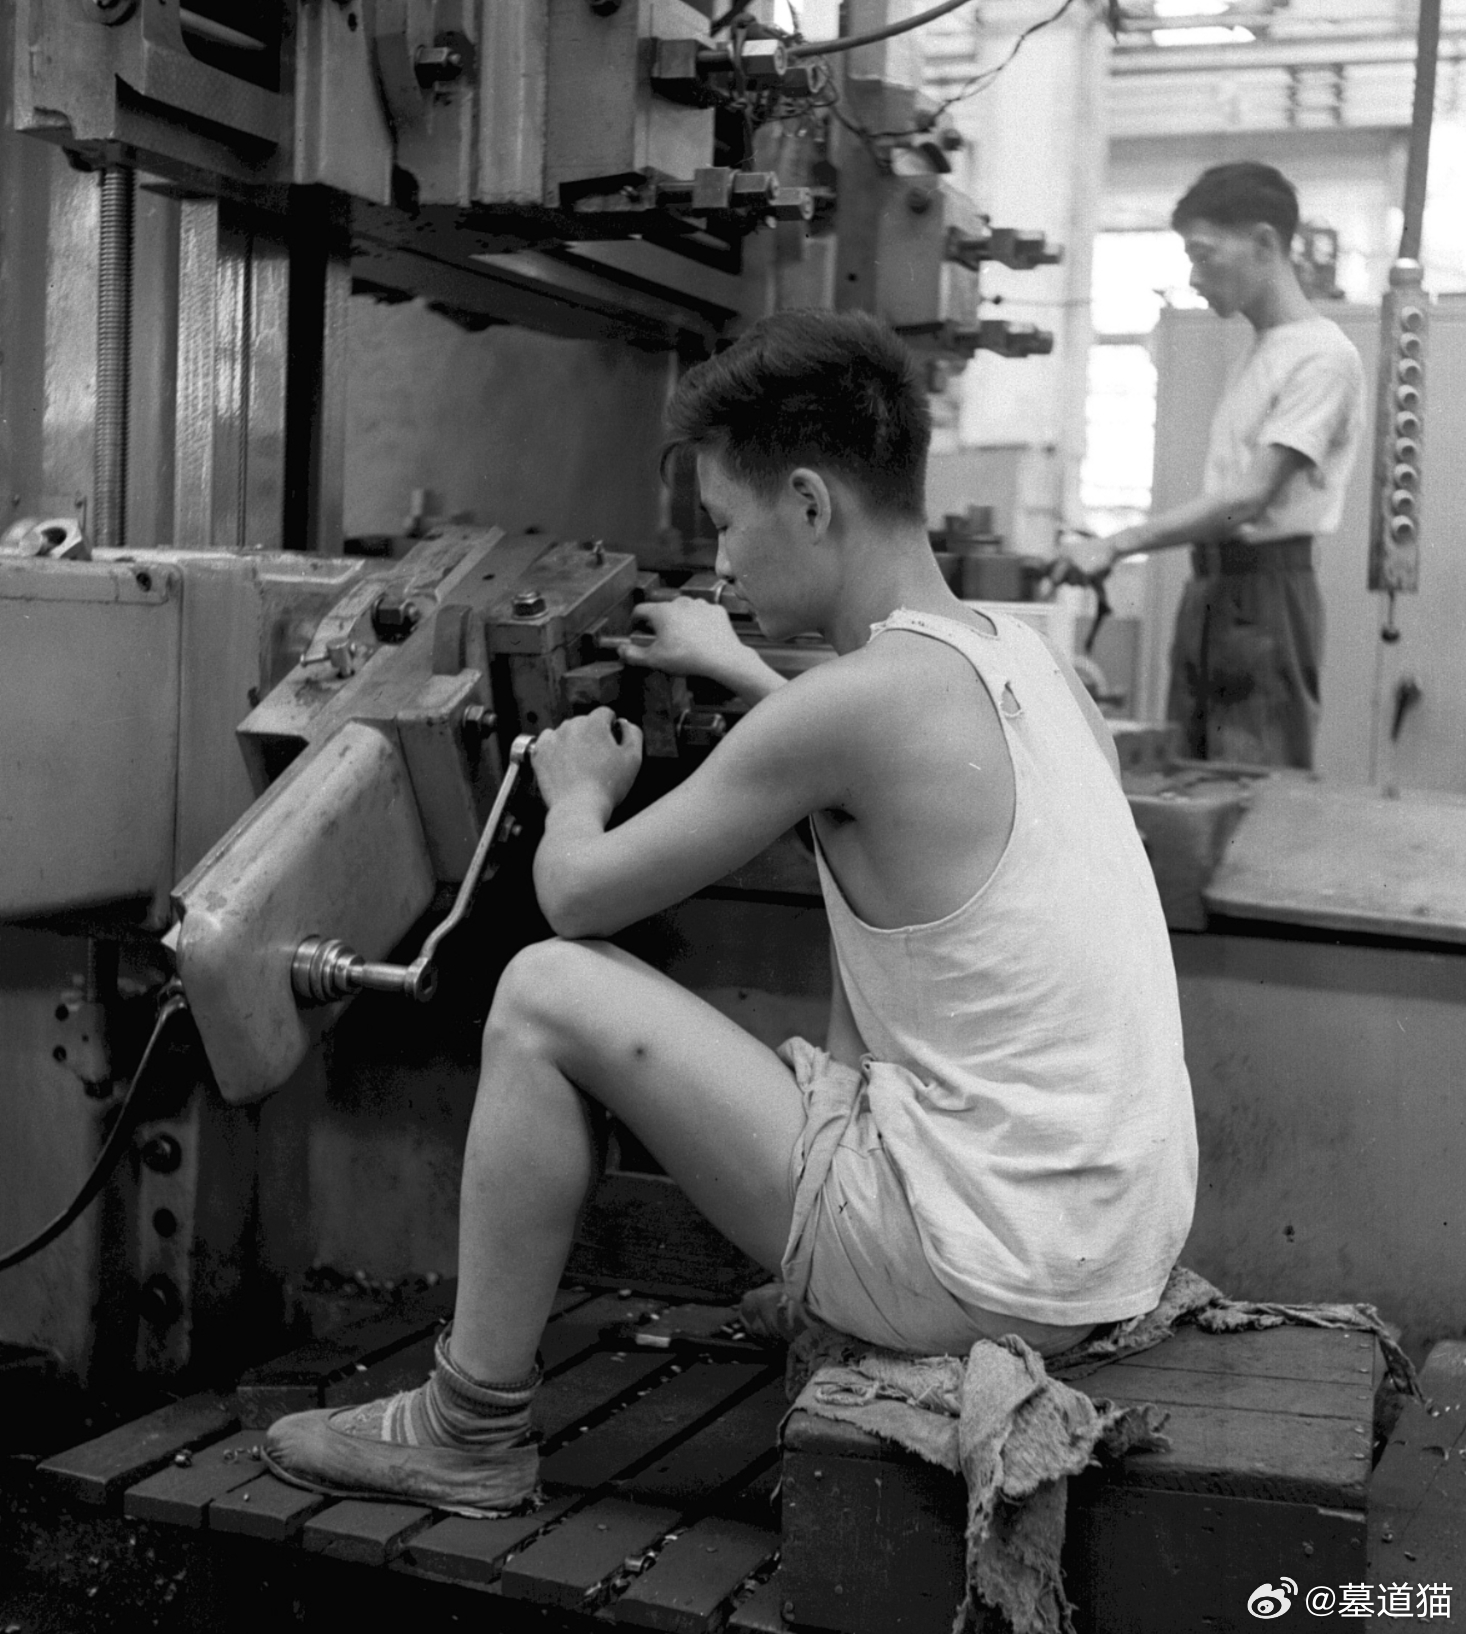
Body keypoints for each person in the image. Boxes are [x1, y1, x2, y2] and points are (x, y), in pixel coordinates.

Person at [264, 310, 1198, 1515]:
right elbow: (864, 739)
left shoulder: (845, 713)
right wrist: (736, 662)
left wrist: (576, 791)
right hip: (1104, 1251)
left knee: (543, 989)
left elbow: (574, 892)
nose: (719, 567)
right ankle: (857, 1271)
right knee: (869, 1001)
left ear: (807, 503)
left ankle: (465, 1428)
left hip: (979, 1271)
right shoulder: (1029, 662)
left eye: (722, 522)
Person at [1066, 162, 1364, 768]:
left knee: (1252, 780)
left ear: (1264, 244)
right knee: (1191, 774)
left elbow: (1249, 498)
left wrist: (1118, 543)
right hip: (1213, 590)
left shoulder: (1322, 356)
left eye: (1204, 255)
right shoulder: (1263, 351)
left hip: (1265, 598)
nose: (1195, 277)